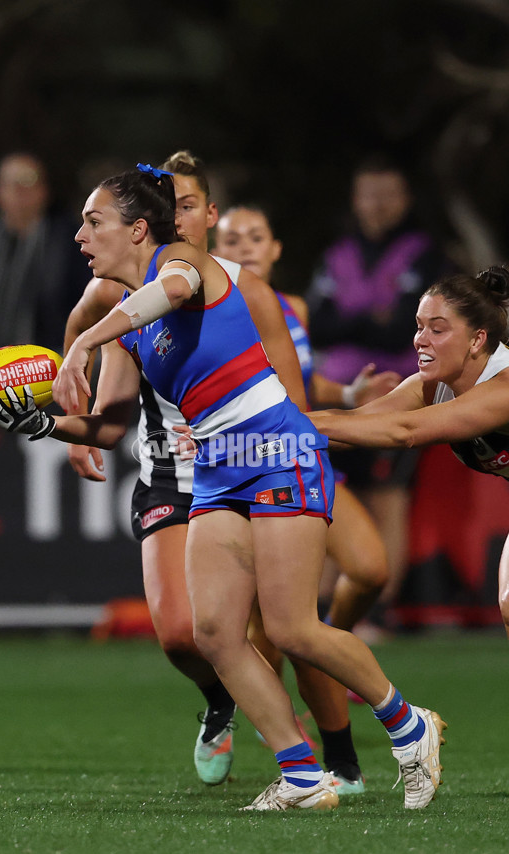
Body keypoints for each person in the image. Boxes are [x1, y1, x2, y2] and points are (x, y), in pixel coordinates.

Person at [0, 164, 447, 812]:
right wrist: (44, 423)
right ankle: (304, 775)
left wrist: (84, 339)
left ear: (138, 227)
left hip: (278, 451)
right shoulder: (124, 318)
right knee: (214, 633)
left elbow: (168, 290)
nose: (80, 235)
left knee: (292, 628)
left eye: (95, 222)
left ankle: (409, 724)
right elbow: (112, 425)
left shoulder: (184, 263)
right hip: (218, 467)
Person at [63, 150, 307, 789]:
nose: (81, 236)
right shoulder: (114, 298)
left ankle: (339, 753)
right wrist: (58, 405)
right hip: (176, 476)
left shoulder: (213, 276)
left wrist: (303, 448)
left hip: (257, 461)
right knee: (183, 636)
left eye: (193, 205)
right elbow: (91, 348)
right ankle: (234, 707)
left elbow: (290, 390)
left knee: (296, 621)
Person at [213, 202, 401, 792]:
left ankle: (334, 655)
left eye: (255, 235)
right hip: (243, 470)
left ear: (275, 249)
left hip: (297, 456)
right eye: (231, 238)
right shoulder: (212, 305)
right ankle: (333, 759)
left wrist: (346, 391)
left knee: (368, 571)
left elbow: (301, 376)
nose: (244, 245)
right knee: (282, 630)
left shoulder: (290, 307)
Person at [309, 265, 509, 679]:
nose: (420, 340)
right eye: (419, 325)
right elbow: (354, 426)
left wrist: (268, 423)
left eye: (437, 329)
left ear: (478, 339)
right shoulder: (431, 383)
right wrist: (250, 433)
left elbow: (404, 431)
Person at [305, 155, 455, 623]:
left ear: (404, 199)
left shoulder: (425, 254)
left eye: (387, 194)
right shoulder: (339, 253)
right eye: (369, 194)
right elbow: (318, 326)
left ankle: (378, 610)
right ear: (355, 199)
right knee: (332, 497)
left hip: (401, 393)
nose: (378, 204)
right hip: (339, 395)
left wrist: (357, 322)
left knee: (387, 498)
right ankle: (330, 608)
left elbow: (407, 331)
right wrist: (372, 318)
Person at [0, 152, 91, 364]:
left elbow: (86, 301)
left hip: (51, 362)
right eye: (12, 184)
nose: (20, 191)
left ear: (44, 191)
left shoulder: (69, 241)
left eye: (29, 182)